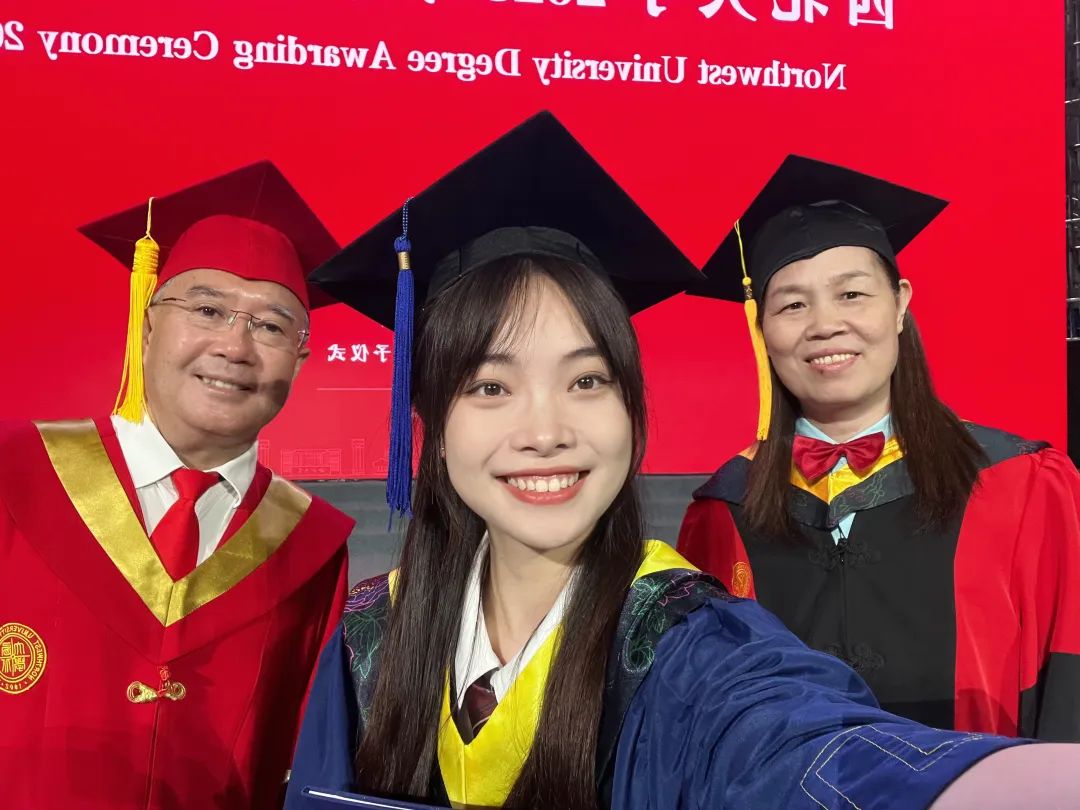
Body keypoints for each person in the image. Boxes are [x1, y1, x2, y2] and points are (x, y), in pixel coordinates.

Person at [283, 113, 1080, 810]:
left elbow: (810, 751)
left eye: (587, 380)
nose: (545, 430)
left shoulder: (693, 646)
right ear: (430, 417)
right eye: (490, 386)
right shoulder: (371, 636)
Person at [678, 155, 1080, 740]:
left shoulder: (1022, 485)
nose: (824, 325)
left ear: (900, 304)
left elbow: (1070, 683)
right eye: (792, 304)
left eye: (851, 294)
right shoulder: (723, 512)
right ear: (762, 327)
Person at [0, 161, 355, 809]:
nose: (235, 347)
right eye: (207, 309)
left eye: (271, 326)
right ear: (146, 324)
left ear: (300, 360)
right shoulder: (16, 472)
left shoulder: (314, 546)